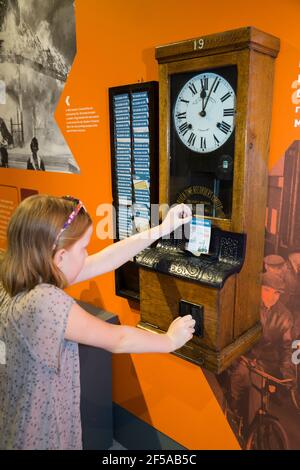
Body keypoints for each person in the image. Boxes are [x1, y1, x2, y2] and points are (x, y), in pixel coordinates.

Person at [0, 195, 194, 450]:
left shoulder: (18, 276)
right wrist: (169, 340)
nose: (87, 255)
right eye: (83, 248)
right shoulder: (45, 301)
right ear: (59, 257)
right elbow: (118, 339)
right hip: (42, 429)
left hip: (14, 415)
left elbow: (106, 259)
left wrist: (162, 229)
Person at [229, 272, 295, 420]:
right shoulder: (245, 304)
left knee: (258, 403)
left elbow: (287, 348)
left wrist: (288, 374)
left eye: (277, 293)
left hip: (264, 365)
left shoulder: (285, 316)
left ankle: (255, 430)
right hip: (243, 358)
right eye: (266, 290)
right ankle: (231, 411)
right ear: (258, 288)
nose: (272, 297)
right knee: (240, 377)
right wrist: (238, 356)